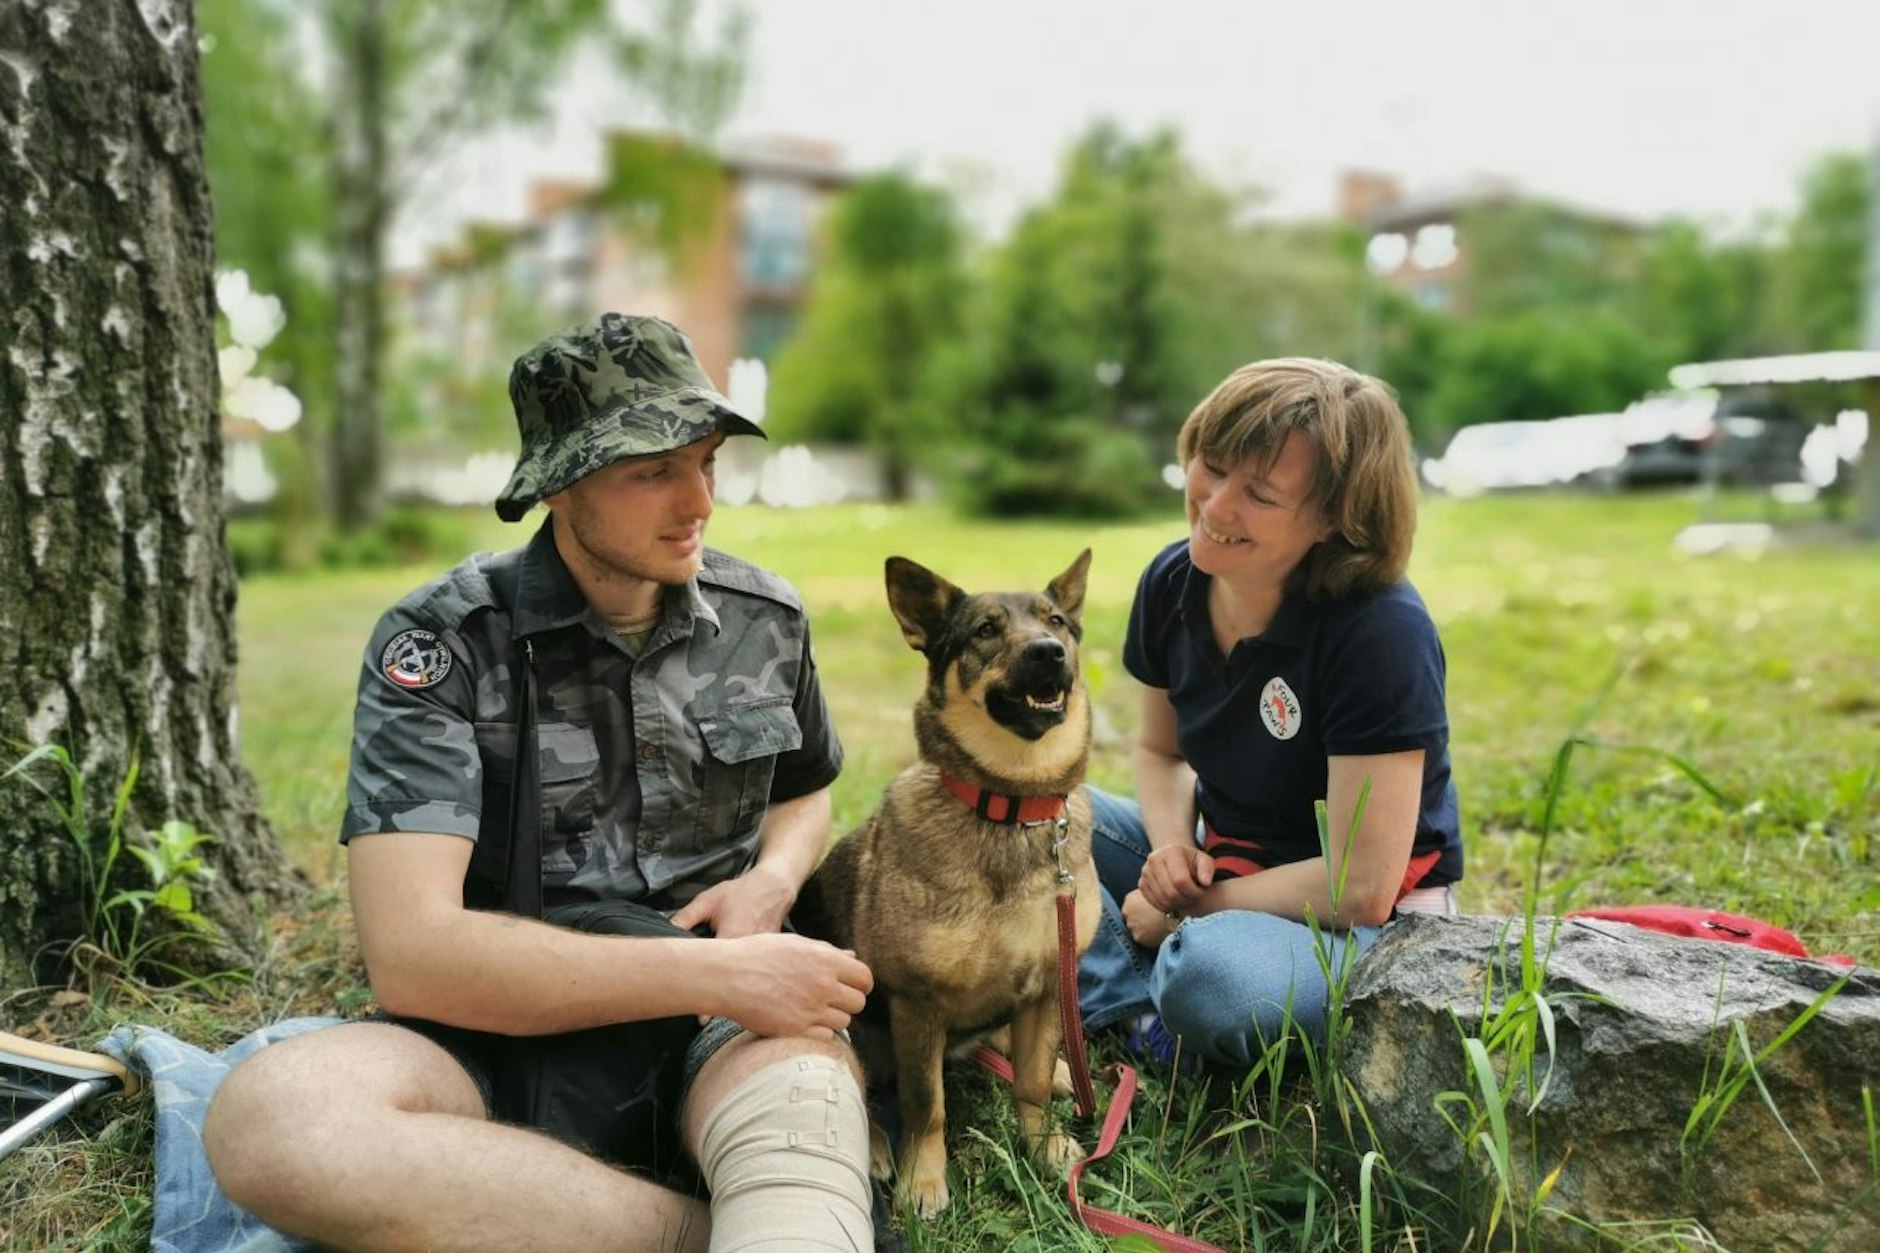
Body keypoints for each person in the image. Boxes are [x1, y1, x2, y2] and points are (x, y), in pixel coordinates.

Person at [204, 314, 878, 1252]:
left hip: (727, 1023)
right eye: (653, 471)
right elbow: (416, 954)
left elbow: (806, 785)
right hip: (501, 1027)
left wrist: (771, 882)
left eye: (707, 462)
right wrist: (717, 968)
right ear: (561, 484)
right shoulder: (442, 644)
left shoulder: (764, 617)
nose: (699, 502)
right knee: (276, 1122)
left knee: (805, 1114)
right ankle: (692, 1231)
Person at [1077, 358, 1462, 1071]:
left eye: (1259, 493)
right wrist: (1171, 855)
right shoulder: (1171, 581)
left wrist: (1188, 911)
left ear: (1334, 517)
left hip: (1364, 921)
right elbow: (1162, 753)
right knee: (1031, 812)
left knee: (1211, 977)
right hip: (1226, 859)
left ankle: (1156, 985)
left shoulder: (1380, 631)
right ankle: (1130, 1005)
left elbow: (1360, 885)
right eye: (1211, 466)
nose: (1216, 507)